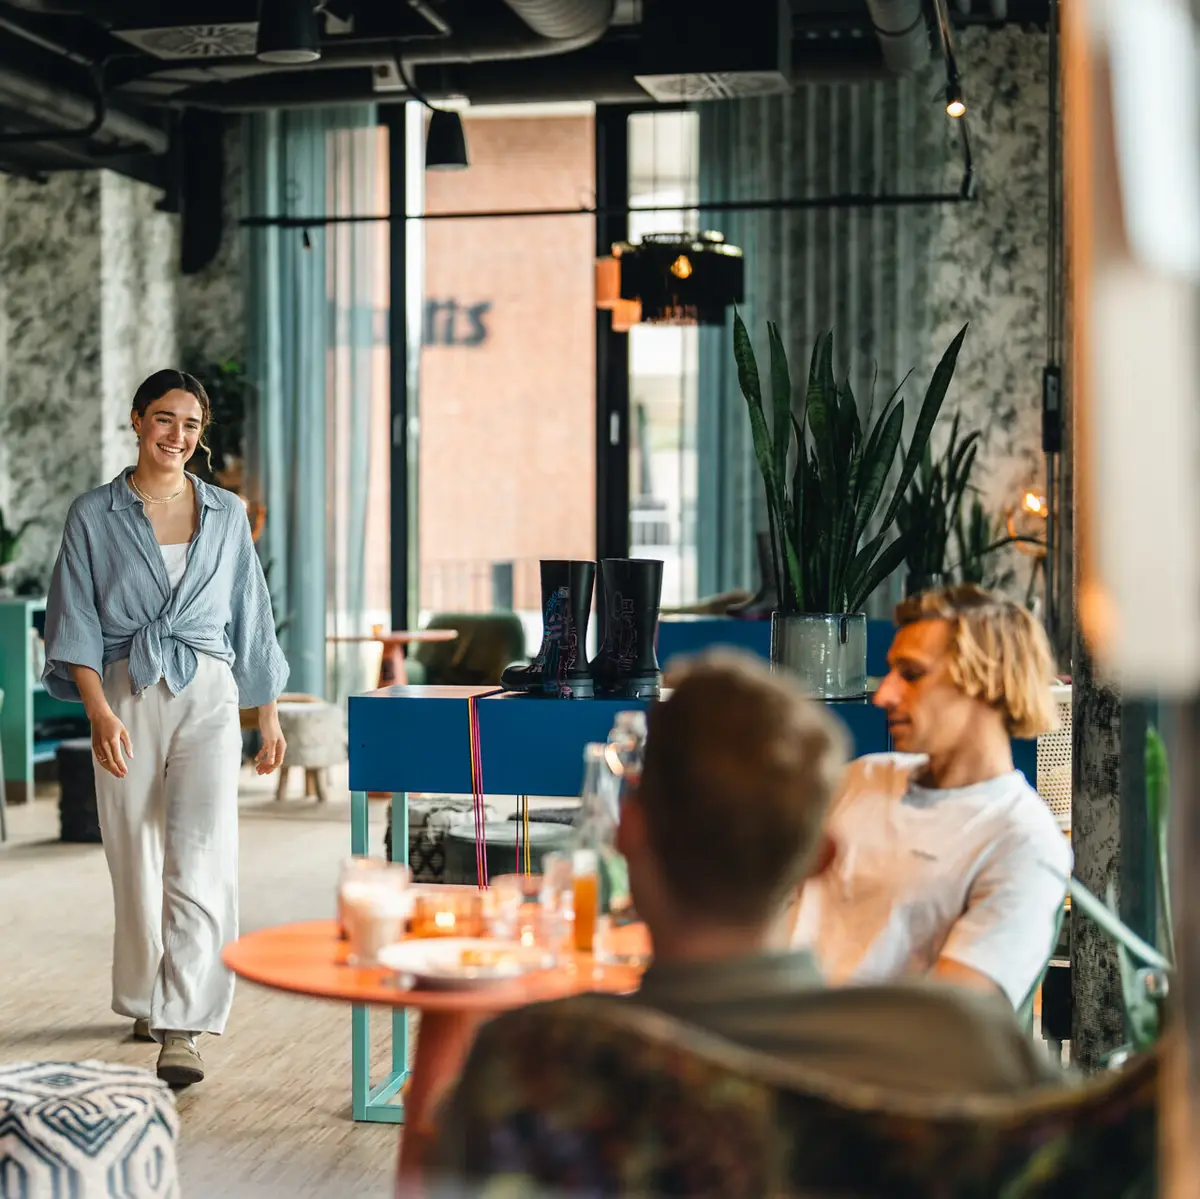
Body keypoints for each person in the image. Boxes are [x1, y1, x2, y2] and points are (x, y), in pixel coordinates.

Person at [436, 652, 1063, 1178]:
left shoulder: (535, 1068)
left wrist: (443, 1031)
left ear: (628, 832)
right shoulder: (969, 1048)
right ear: (821, 857)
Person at [42, 369, 289, 1088]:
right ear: (136, 419)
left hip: (207, 692)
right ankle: (146, 994)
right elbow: (75, 620)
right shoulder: (93, 514)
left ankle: (183, 1022)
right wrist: (98, 710)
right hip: (124, 690)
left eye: (190, 423)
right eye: (163, 419)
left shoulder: (226, 512)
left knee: (202, 849)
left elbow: (251, 612)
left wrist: (264, 710)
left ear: (200, 433)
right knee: (134, 852)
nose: (176, 435)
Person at [792, 584, 1072, 1009]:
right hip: (759, 1042)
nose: (884, 695)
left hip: (859, 1071)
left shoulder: (1022, 840)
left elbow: (949, 1022)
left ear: (987, 679)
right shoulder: (864, 777)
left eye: (912, 674)